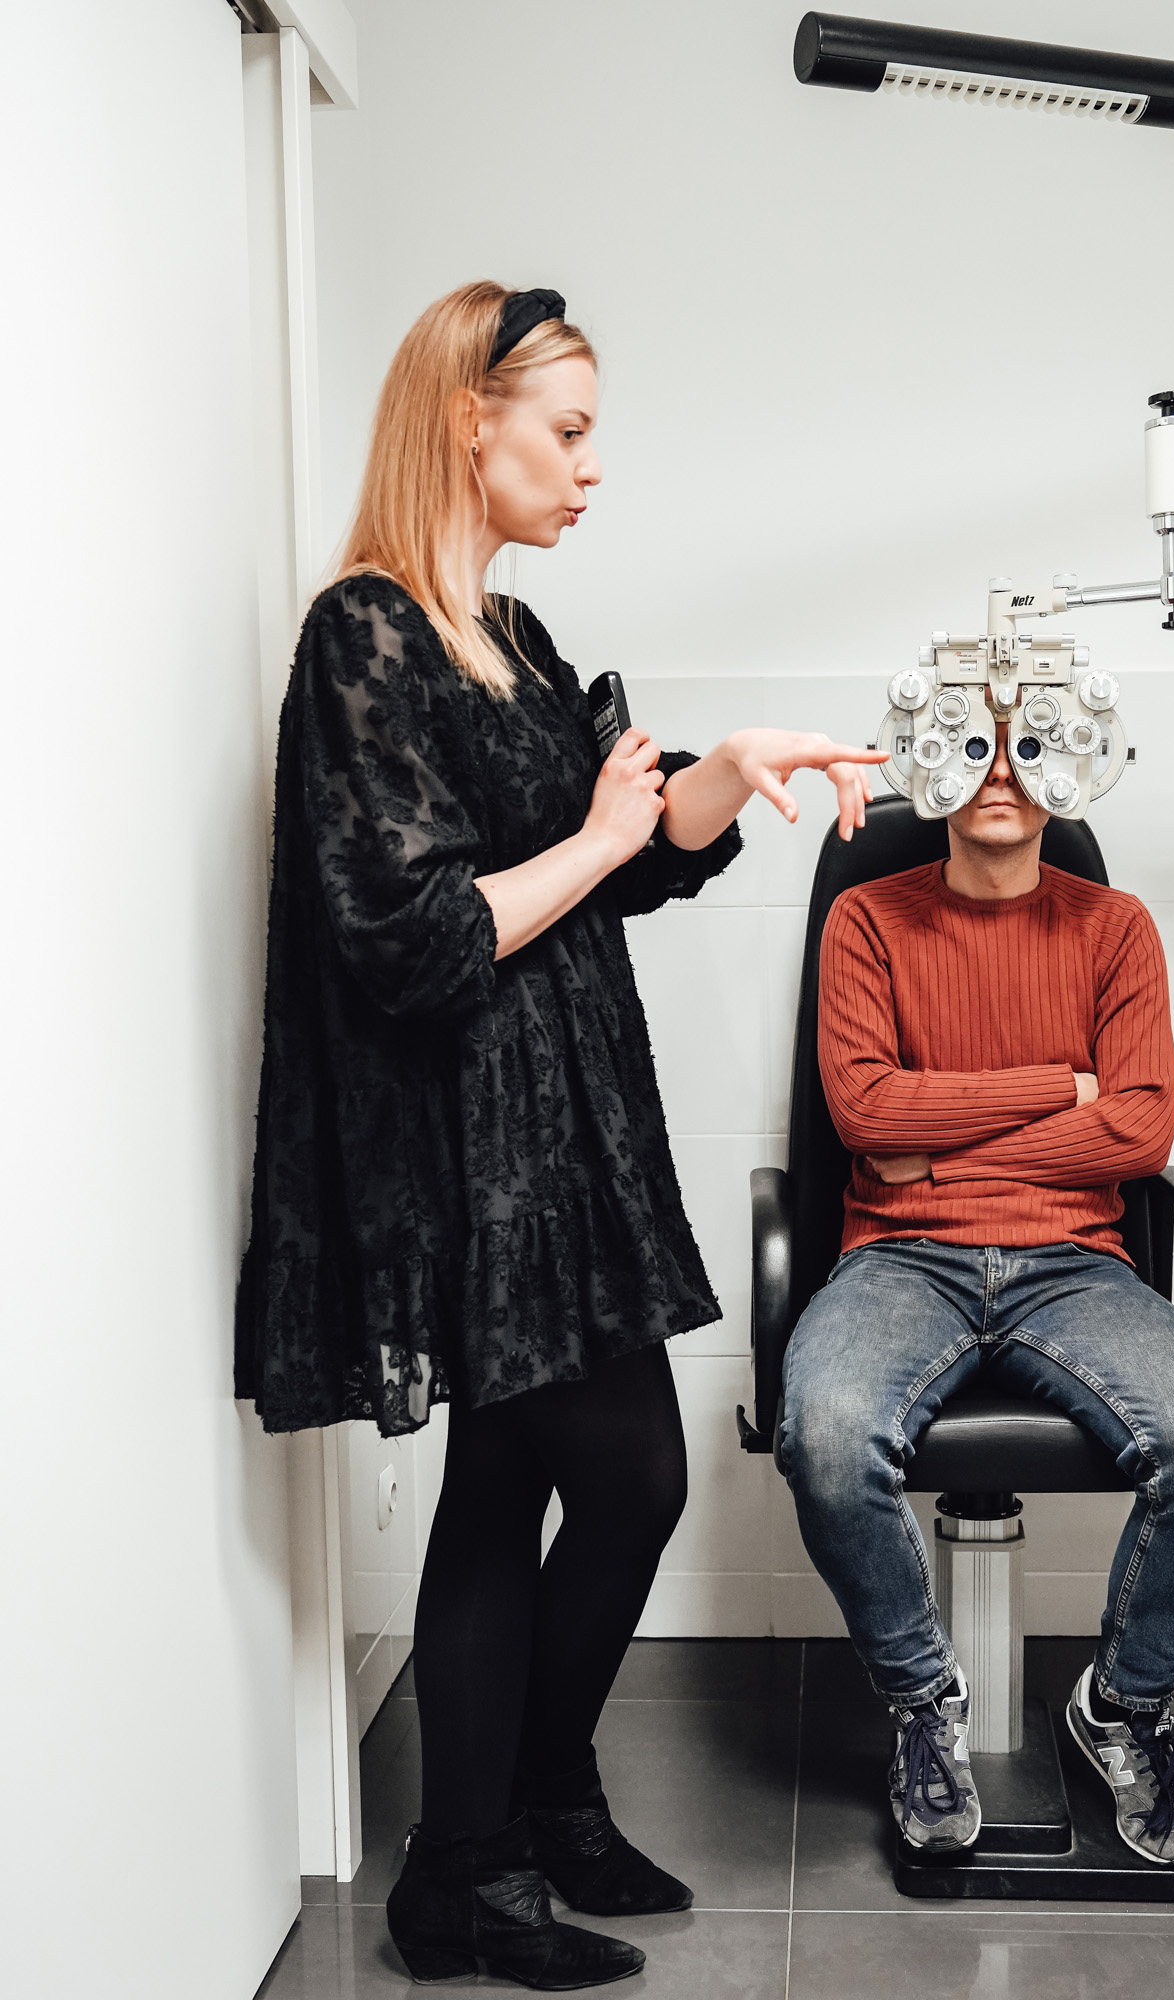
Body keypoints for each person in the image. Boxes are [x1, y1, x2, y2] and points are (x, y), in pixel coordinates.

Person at [234, 282, 881, 1990]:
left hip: (567, 1137)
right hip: (468, 1155)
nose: (593, 470)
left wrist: (733, 765)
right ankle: (492, 1841)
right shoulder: (364, 635)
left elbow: (636, 851)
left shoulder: (510, 639)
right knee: (631, 1474)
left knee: (511, 1483)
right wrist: (599, 838)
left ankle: (511, 1831)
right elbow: (413, 936)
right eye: (570, 432)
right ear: (471, 421)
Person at [777, 711, 1174, 1869]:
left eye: (1029, 745)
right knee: (826, 1436)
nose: (1000, 770)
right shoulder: (865, 918)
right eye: (975, 745)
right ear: (932, 763)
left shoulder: (1115, 927)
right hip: (899, 1256)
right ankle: (922, 1704)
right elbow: (865, 1115)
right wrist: (1060, 1085)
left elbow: (1138, 1130)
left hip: (1073, 1262)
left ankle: (1120, 1706)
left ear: (1072, 766)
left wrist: (938, 1147)